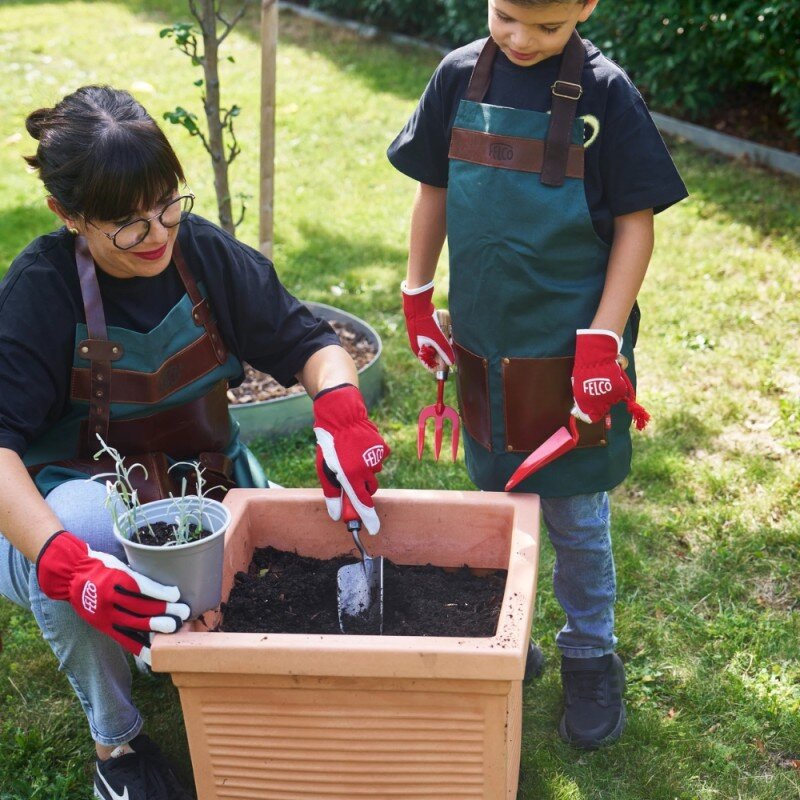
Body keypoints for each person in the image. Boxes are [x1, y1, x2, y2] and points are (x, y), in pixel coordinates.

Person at [0, 85, 389, 800]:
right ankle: (117, 744)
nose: (155, 234)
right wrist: (64, 566)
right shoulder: (39, 290)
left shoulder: (198, 252)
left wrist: (342, 410)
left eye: (165, 204)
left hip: (203, 488)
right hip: (66, 510)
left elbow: (307, 341)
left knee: (307, 548)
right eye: (125, 223)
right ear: (67, 215)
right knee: (85, 539)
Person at [389, 0, 687, 750]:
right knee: (496, 506)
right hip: (485, 343)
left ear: (586, 7)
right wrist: (418, 296)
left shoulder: (608, 94)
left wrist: (603, 341)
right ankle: (508, 641)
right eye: (505, 17)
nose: (521, 40)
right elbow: (435, 189)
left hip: (572, 354)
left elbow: (636, 222)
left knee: (578, 522)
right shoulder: (458, 75)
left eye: (547, 28)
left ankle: (590, 653)